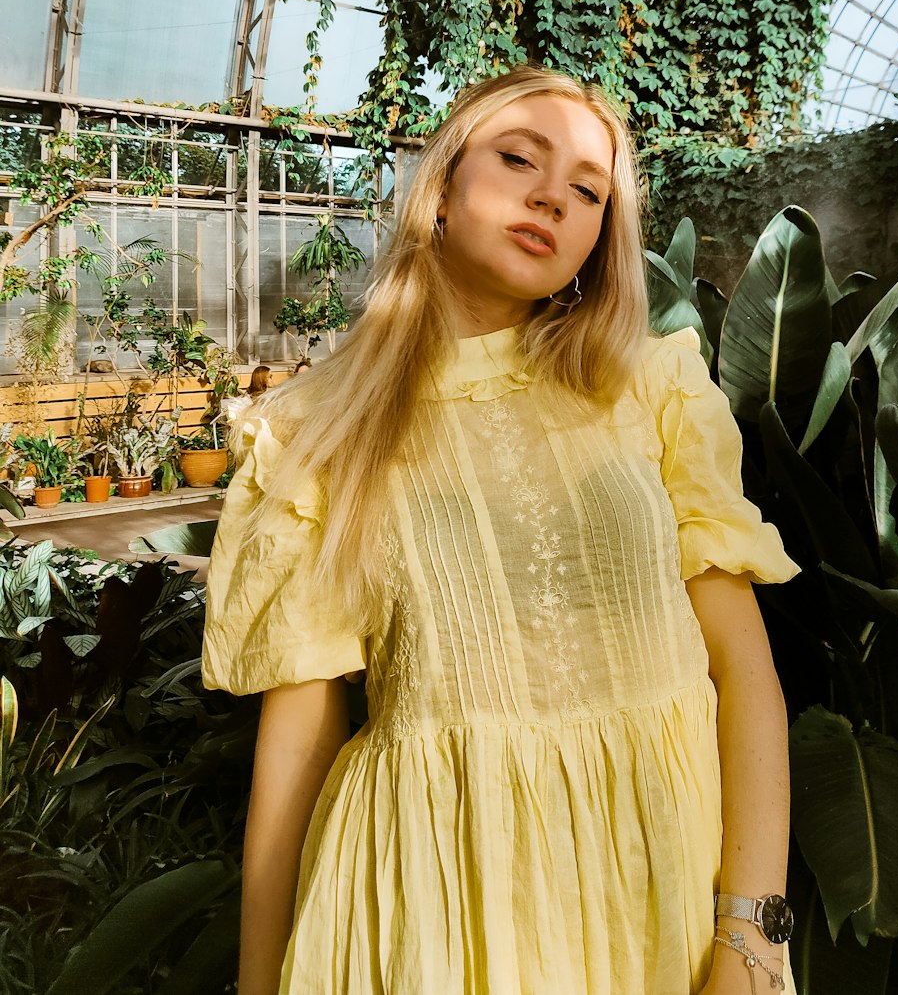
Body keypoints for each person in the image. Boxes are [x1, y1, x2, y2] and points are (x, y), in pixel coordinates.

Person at [202, 64, 799, 995]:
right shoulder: (314, 432)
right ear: (440, 190)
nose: (551, 196)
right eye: (520, 158)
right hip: (430, 905)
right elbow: (301, 737)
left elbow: (743, 673)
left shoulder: (654, 388)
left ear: (599, 238)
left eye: (588, 191)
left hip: (660, 889)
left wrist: (753, 936)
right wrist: (254, 980)